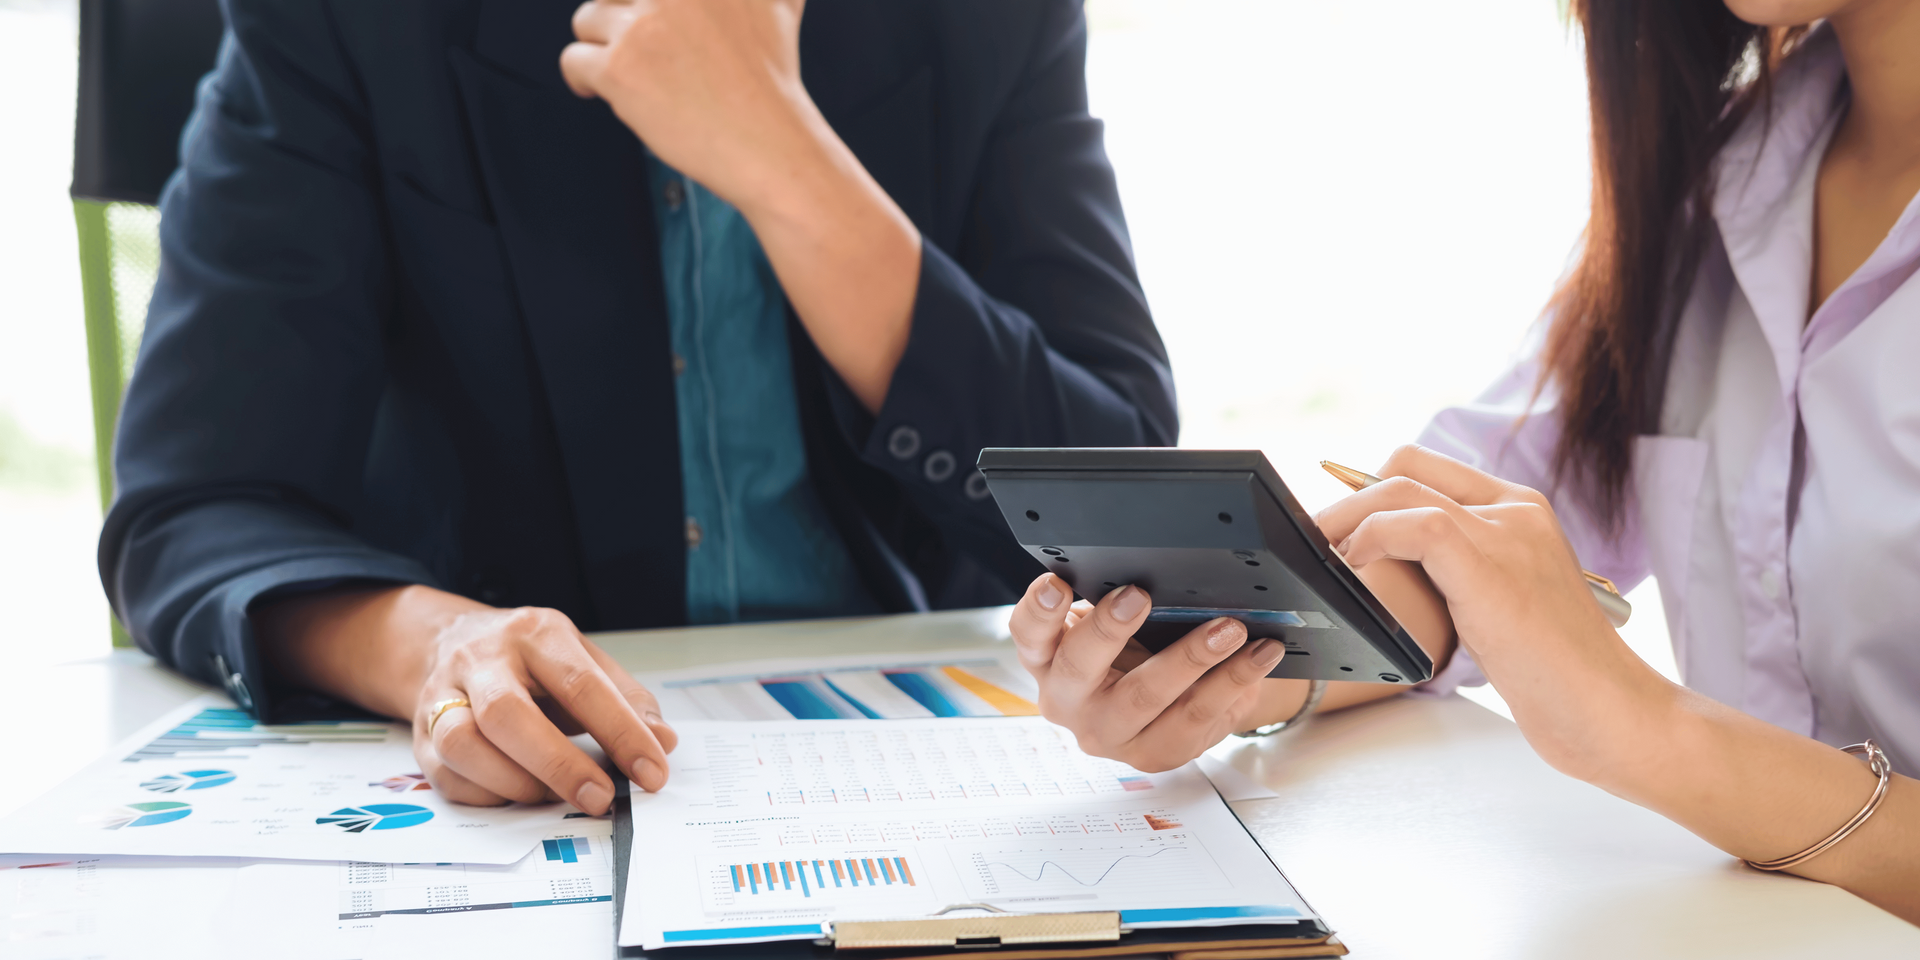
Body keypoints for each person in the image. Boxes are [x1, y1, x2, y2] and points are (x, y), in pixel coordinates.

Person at [102, 0, 1176, 818]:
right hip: (542, 790)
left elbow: (1124, 507)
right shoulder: (343, 20)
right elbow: (194, 508)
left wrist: (784, 156)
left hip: (918, 767)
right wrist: (437, 646)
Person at [1006, 0, 1920, 922]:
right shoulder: (1723, 180)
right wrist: (1220, 675)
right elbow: (1455, 552)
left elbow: (1585, 679)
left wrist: (1650, 731)